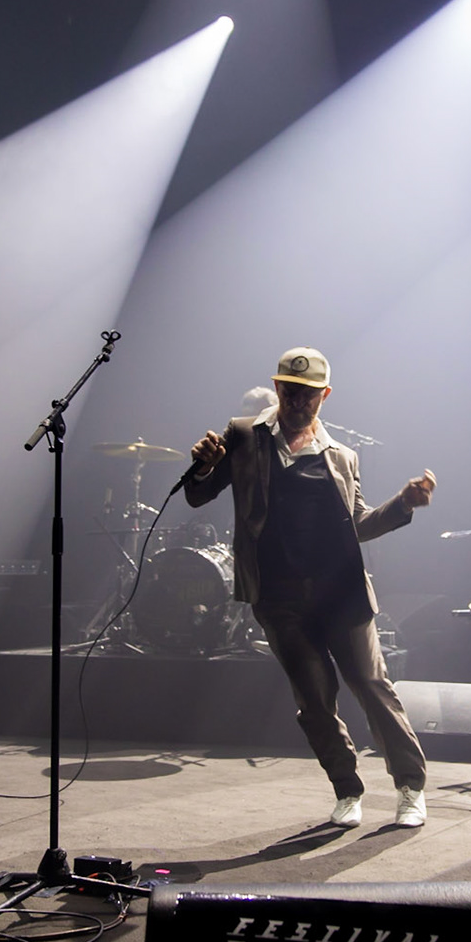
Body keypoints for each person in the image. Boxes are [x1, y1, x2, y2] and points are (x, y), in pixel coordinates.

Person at [187, 347, 437, 828]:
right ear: (277, 388)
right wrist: (201, 466)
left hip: (342, 593)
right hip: (280, 599)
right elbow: (199, 495)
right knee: (315, 702)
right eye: (290, 391)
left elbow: (359, 524)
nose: (299, 402)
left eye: (309, 395)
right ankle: (348, 791)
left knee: (370, 685)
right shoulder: (243, 436)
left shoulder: (341, 456)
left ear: (325, 395)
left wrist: (403, 504)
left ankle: (410, 788)